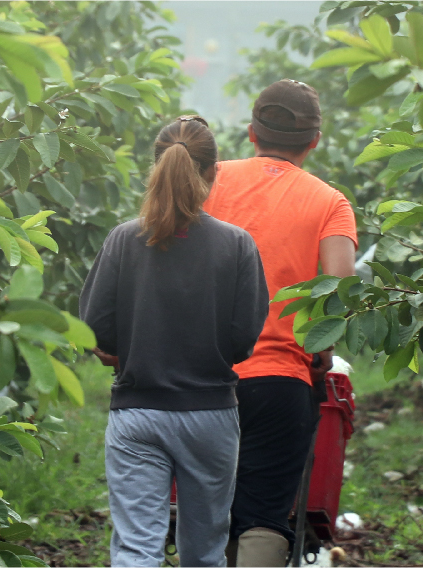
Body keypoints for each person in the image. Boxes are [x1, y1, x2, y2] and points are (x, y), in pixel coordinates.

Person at [80, 115, 270, 568]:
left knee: (136, 548)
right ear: (213, 171)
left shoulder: (124, 241)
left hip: (137, 415)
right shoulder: (237, 245)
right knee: (204, 553)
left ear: (155, 167)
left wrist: (127, 349)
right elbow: (244, 338)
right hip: (210, 416)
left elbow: (95, 329)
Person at [202, 79, 357, 566]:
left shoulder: (204, 180)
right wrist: (320, 357)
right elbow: (337, 297)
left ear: (251, 132)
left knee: (205, 509)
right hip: (278, 380)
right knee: (264, 514)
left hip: (195, 379)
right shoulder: (330, 203)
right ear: (314, 141)